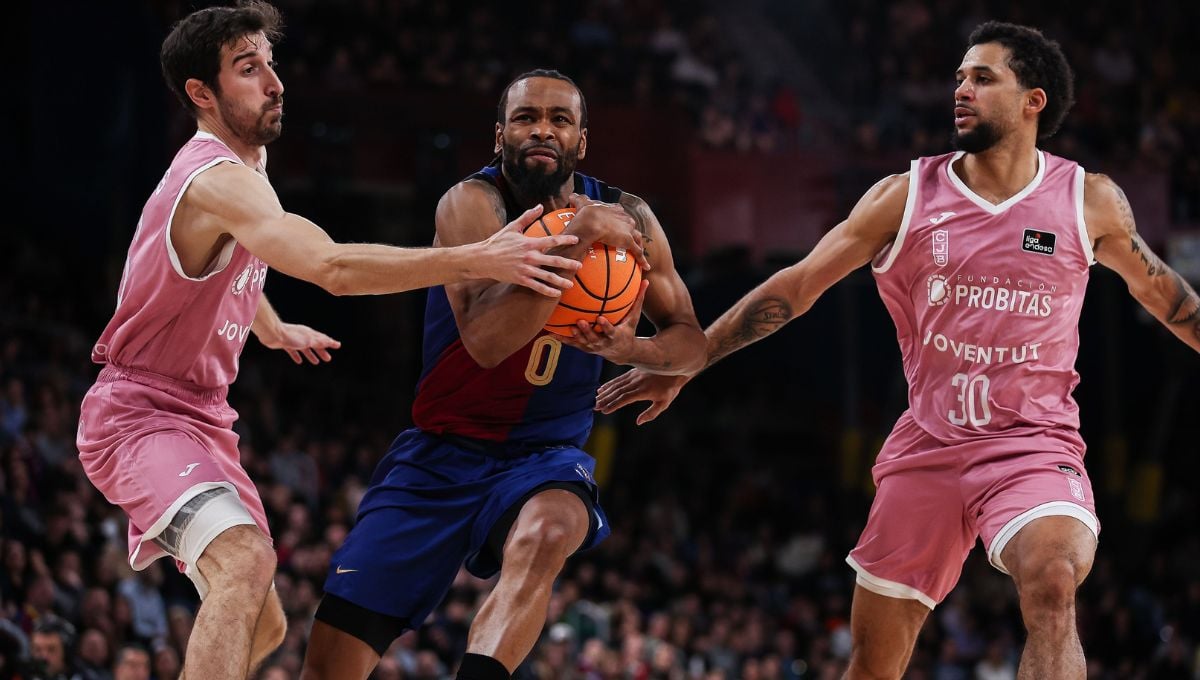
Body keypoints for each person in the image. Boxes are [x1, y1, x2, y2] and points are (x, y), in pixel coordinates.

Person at [595, 21, 1200, 679]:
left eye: (983, 78)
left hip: (1033, 444)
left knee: (1054, 583)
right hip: (928, 446)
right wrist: (695, 356)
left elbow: (1168, 298)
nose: (961, 90)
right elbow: (797, 286)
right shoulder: (905, 197)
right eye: (959, 78)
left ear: (1034, 100)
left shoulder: (1088, 201)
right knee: (874, 663)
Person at [74, 3, 587, 679]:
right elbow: (332, 269)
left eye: (271, 64)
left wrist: (266, 322)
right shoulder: (216, 179)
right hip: (140, 414)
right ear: (201, 93)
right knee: (244, 563)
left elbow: (214, 261)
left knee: (265, 621)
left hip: (203, 417)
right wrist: (476, 259)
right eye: (248, 69)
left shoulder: (247, 167)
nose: (275, 83)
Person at [300, 69, 706, 680]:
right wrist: (578, 236)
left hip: (545, 455)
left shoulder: (631, 217)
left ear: (582, 141)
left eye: (559, 119)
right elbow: (487, 343)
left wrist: (635, 348)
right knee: (330, 665)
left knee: (551, 531)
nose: (542, 130)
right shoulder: (470, 205)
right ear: (500, 135)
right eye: (526, 118)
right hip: (442, 452)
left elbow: (691, 342)